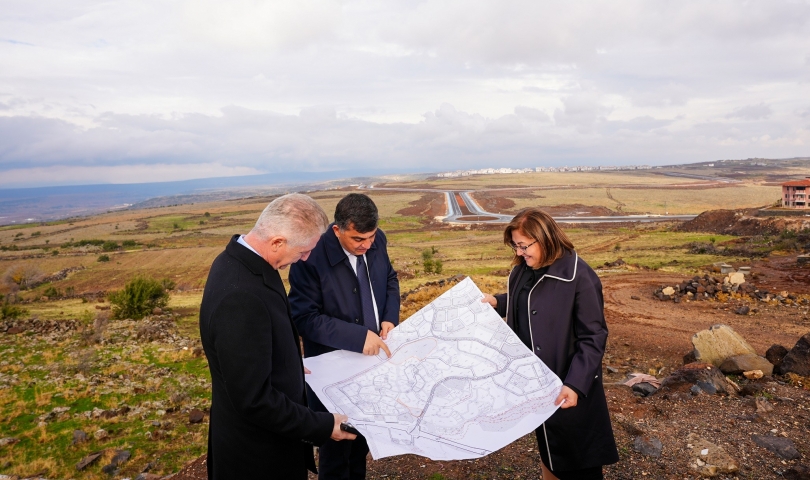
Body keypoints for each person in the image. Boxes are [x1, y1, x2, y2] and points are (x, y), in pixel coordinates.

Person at [199, 193, 356, 480]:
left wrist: (287, 359)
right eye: (303, 251)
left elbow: (251, 346)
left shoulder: (239, 261)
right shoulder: (241, 297)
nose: (305, 258)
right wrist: (322, 426)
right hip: (257, 459)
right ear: (277, 242)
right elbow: (254, 400)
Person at [482, 207, 619, 480]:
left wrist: (575, 384)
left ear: (544, 238)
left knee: (579, 459)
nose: (519, 252)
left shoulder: (581, 277)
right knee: (550, 450)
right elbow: (533, 299)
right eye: (515, 245)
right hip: (537, 386)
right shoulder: (523, 271)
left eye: (523, 245)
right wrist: (500, 301)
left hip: (567, 386)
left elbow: (594, 337)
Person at [289, 193, 400, 480]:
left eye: (371, 237)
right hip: (332, 372)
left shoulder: (377, 240)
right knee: (336, 450)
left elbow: (389, 278)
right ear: (337, 230)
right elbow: (303, 317)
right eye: (358, 239)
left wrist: (389, 317)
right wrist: (357, 336)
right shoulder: (309, 257)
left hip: (371, 364)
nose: (367, 245)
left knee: (361, 442)